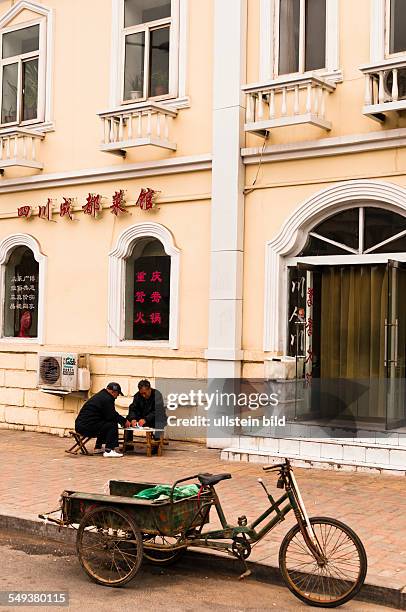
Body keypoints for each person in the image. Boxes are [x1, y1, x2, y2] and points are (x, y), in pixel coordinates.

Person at [75, 382, 130, 458]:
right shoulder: (107, 399)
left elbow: (107, 415)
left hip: (81, 425)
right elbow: (111, 415)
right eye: (117, 394)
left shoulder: (102, 395)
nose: (117, 396)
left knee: (104, 423)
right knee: (111, 424)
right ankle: (109, 450)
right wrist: (124, 421)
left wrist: (121, 420)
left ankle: (98, 447)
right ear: (113, 392)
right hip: (86, 427)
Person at [126, 379, 166, 452]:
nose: (143, 396)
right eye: (141, 394)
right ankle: (128, 444)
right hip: (141, 416)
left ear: (149, 389)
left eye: (145, 393)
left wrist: (146, 419)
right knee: (128, 419)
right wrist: (133, 418)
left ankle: (156, 444)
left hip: (154, 417)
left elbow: (157, 410)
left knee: (159, 421)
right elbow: (133, 408)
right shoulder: (137, 396)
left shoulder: (157, 395)